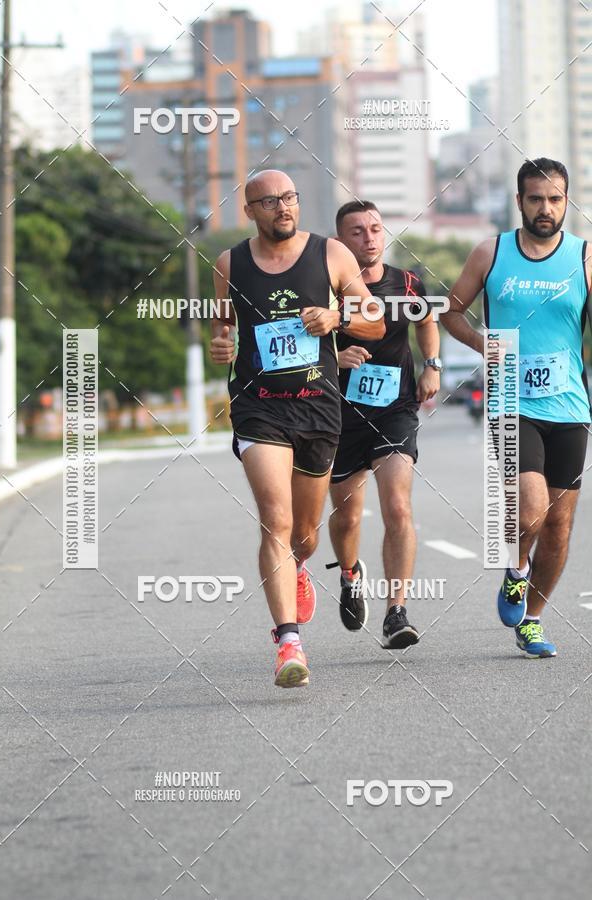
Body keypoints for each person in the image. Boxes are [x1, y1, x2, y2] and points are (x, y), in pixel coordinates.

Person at [210, 170, 384, 687]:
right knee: (275, 519)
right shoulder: (230, 263)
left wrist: (336, 319)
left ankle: (303, 566)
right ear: (251, 211)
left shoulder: (332, 255)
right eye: (269, 202)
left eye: (289, 198)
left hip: (317, 408)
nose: (282, 208)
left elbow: (374, 320)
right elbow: (223, 326)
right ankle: (288, 642)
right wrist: (219, 345)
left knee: (304, 537)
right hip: (259, 406)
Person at [443, 157, 591, 658]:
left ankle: (532, 618)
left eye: (554, 199)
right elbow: (451, 312)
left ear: (566, 201)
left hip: (570, 405)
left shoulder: (584, 256)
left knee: (559, 527)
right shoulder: (492, 253)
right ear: (519, 202)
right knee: (530, 512)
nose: (545, 209)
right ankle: (516, 569)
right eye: (535, 199)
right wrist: (483, 342)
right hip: (510, 398)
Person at [327, 200, 441, 648]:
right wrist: (335, 357)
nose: (369, 237)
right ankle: (351, 576)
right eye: (357, 231)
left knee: (397, 506)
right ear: (340, 241)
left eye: (375, 228)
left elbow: (427, 320)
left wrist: (432, 364)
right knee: (347, 515)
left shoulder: (407, 282)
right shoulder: (324, 287)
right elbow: (300, 340)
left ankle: (397, 612)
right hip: (338, 414)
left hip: (395, 409)